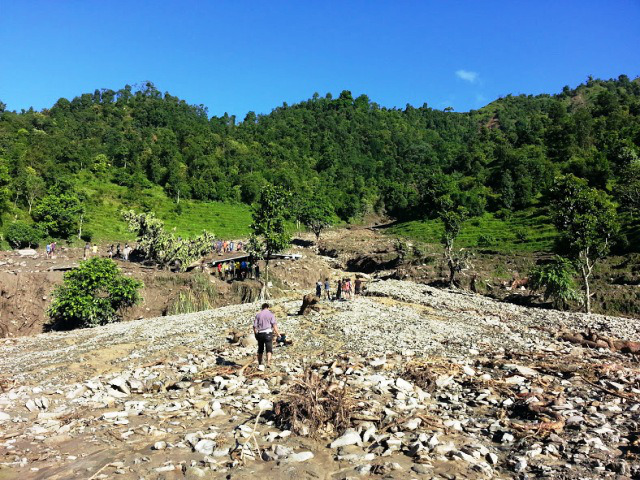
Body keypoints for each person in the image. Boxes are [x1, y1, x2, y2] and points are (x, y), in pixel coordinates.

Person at [253, 303, 280, 371]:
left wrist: (255, 334)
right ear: (268, 307)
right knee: (269, 348)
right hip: (268, 332)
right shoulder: (271, 314)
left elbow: (254, 326)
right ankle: (268, 362)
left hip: (260, 333)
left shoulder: (258, 315)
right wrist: (278, 334)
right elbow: (274, 325)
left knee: (260, 349)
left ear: (262, 308)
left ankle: (260, 363)